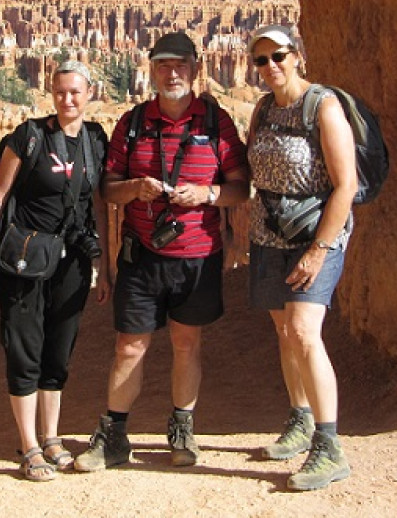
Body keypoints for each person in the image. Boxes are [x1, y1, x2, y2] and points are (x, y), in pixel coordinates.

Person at [74, 31, 250, 472]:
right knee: (129, 347)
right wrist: (135, 187)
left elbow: (239, 188)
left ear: (195, 68)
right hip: (142, 255)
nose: (173, 73)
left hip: (196, 254)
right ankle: (114, 434)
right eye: (163, 66)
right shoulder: (131, 123)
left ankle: (182, 427)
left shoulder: (216, 123)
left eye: (181, 65)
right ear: (151, 70)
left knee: (187, 343)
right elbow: (108, 190)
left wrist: (207, 195)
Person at [0, 60, 111, 482]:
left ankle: (52, 436)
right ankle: (29, 444)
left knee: (59, 346)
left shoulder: (95, 139)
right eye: (60, 92)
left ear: (89, 93)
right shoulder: (30, 135)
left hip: (73, 258)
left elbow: (100, 205)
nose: (67, 99)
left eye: (75, 92)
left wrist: (104, 263)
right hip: (24, 256)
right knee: (25, 345)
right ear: (51, 93)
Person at [245, 23, 357, 491]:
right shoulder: (265, 108)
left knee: (304, 331)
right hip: (269, 232)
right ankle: (301, 420)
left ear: (297, 56)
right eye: (261, 60)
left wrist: (318, 250)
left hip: (316, 235)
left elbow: (346, 184)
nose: (271, 66)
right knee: (283, 331)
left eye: (279, 56)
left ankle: (329, 447)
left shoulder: (323, 106)